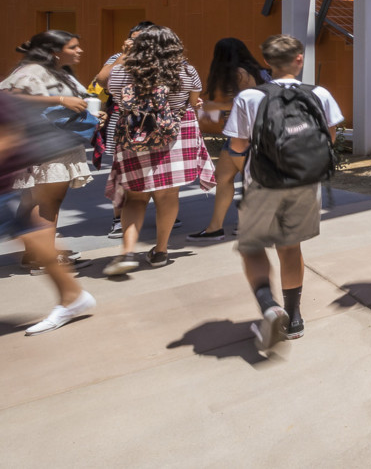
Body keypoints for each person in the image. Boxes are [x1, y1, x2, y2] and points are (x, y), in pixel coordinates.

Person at [222, 34, 344, 351]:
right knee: (290, 248)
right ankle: (294, 316)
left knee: (251, 246)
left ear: (266, 62)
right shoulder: (319, 94)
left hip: (262, 183)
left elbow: (237, 145)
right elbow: (329, 139)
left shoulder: (249, 98)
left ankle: (269, 306)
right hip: (304, 183)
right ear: (299, 59)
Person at [102, 26, 214, 275]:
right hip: (174, 137)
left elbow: (116, 99)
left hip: (135, 137)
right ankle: (161, 251)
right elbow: (193, 103)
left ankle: (127, 251)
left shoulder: (122, 70)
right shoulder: (186, 70)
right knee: (167, 195)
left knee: (135, 197)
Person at [1, 32, 94, 294]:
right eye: (73, 46)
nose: (80, 50)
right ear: (55, 50)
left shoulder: (58, 71)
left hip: (59, 142)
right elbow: (10, 99)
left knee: (40, 200)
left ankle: (36, 254)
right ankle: (47, 257)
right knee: (46, 202)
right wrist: (60, 100)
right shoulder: (31, 70)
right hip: (43, 144)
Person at [0, 91, 96, 335]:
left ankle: (71, 295)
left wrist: (61, 100)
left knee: (30, 227)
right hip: (30, 165)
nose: (79, 51)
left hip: (37, 160)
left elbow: (9, 135)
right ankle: (71, 295)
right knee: (28, 228)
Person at [190, 38, 270, 240]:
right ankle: (215, 227)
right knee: (223, 178)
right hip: (248, 132)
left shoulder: (240, 72)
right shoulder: (256, 70)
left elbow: (244, 102)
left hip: (245, 134)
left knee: (248, 180)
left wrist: (212, 106)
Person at [92, 21, 155, 239]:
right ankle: (118, 218)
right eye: (133, 38)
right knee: (120, 170)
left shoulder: (160, 59)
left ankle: (164, 211)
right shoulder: (118, 57)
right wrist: (124, 55)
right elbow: (101, 80)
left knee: (155, 165)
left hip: (153, 122)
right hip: (121, 120)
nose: (136, 43)